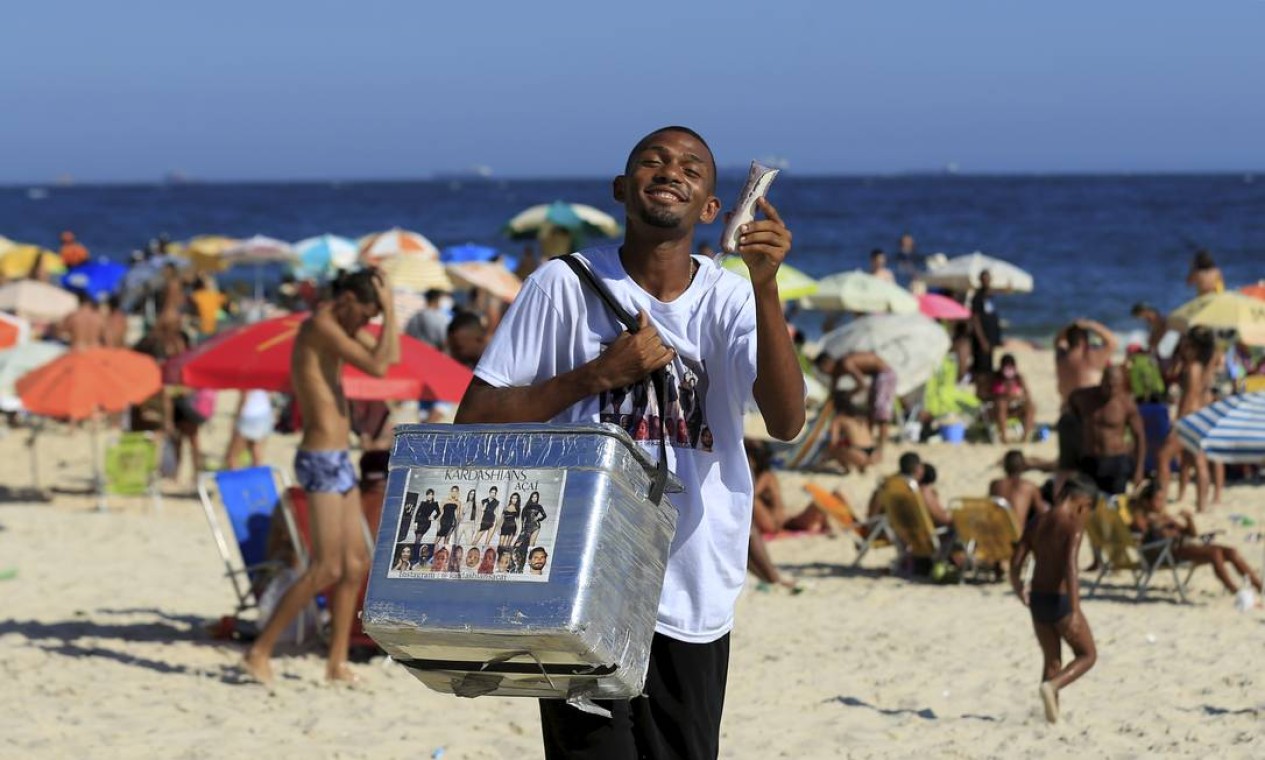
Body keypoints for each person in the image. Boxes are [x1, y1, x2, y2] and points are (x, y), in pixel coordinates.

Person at [454, 125, 805, 759]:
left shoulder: (730, 297)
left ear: (711, 209)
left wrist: (765, 284)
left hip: (695, 582)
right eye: (652, 161)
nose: (671, 170)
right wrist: (598, 375)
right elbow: (474, 421)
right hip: (576, 585)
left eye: (692, 168)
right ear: (622, 188)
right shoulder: (561, 285)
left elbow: (785, 421)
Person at [243, 268, 399, 687]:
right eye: (363, 314)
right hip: (318, 457)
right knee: (327, 566)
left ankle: (336, 663)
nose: (364, 324)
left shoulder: (340, 327)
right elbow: (378, 366)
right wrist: (389, 308)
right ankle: (259, 650)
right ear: (346, 299)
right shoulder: (320, 326)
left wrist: (384, 315)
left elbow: (391, 356)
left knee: (355, 564)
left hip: (338, 458)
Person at [1009, 473, 1099, 725]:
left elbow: (1016, 561)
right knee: (1088, 655)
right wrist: (1075, 610)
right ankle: (1053, 686)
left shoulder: (1037, 521)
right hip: (1060, 601)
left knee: (1052, 659)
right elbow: (1071, 568)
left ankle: (1051, 719)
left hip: (1037, 599)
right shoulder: (1073, 524)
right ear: (1083, 504)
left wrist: (1018, 587)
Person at [1132, 481, 1262, 600]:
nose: (1161, 503)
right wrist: (1161, 524)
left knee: (1231, 551)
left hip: (1182, 548)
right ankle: (1234, 590)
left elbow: (1192, 534)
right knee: (1214, 553)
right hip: (1164, 553)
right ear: (1146, 502)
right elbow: (1141, 531)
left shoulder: (1165, 516)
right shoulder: (1140, 518)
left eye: (1162, 499)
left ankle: (1259, 586)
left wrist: (1189, 520)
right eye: (1157, 500)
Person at [1156, 328, 1215, 511]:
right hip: (1201, 417)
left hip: (1189, 417)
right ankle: (1202, 505)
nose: (1183, 347)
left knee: (1163, 457)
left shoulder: (1192, 368)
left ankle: (1162, 498)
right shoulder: (1203, 365)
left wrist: (1178, 423)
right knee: (1198, 461)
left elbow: (1189, 397)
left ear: (1195, 348)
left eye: (1187, 345)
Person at [1066, 366, 1145, 496]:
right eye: (1109, 385)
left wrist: (1139, 469)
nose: (1112, 389)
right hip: (1089, 460)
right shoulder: (1083, 397)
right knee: (1087, 503)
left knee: (1115, 506)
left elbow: (1139, 436)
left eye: (1116, 386)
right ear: (1102, 381)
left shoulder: (1126, 404)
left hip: (1116, 462)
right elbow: (1071, 408)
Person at [815, 350, 896, 454]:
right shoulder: (836, 372)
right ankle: (868, 442)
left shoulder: (845, 363)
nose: (824, 374)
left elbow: (862, 384)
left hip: (884, 374)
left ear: (827, 364)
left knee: (881, 414)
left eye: (822, 370)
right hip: (876, 376)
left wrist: (848, 394)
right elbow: (833, 393)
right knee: (871, 411)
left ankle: (881, 449)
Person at [746, 439, 826, 534]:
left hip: (776, 516)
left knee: (754, 501)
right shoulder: (766, 475)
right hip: (779, 513)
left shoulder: (766, 476)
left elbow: (752, 493)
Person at [867, 452, 952, 528]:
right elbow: (942, 519)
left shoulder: (887, 485)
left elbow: (872, 516)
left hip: (884, 527)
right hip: (909, 533)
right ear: (918, 469)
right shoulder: (915, 491)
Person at [990, 450, 1049, 529]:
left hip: (999, 534)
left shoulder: (995, 485)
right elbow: (1042, 511)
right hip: (1017, 535)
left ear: (1005, 467)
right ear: (1023, 467)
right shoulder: (1029, 486)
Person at [824, 392, 880, 474]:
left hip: (859, 455)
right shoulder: (860, 417)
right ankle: (862, 467)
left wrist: (828, 454)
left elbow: (833, 441)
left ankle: (847, 470)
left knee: (834, 450)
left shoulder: (839, 419)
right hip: (875, 454)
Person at [987, 354, 1036, 443]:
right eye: (1006, 367)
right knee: (1001, 404)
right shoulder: (995, 378)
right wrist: (1003, 394)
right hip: (997, 410)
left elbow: (1027, 395)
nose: (1008, 371)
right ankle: (1004, 437)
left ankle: (1025, 436)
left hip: (1015, 408)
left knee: (1030, 406)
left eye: (1011, 367)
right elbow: (987, 395)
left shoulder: (1019, 378)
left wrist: (1017, 396)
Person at [969, 269, 1002, 379]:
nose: (986, 281)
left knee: (989, 365)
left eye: (988, 279)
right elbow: (975, 319)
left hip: (991, 336)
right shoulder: (977, 297)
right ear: (980, 280)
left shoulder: (989, 296)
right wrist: (982, 340)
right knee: (981, 367)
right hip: (982, 339)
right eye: (984, 279)